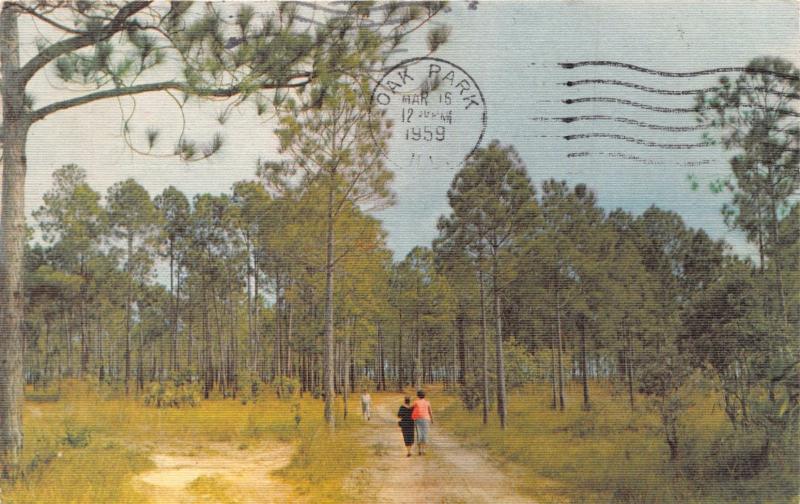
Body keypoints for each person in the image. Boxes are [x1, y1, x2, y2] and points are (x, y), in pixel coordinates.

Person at [411, 389, 433, 455]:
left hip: (418, 419)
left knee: (419, 434)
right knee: (425, 434)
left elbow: (410, 408)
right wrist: (432, 419)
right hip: (426, 419)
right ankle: (424, 450)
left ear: (418, 395)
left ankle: (420, 450)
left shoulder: (416, 402)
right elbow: (430, 411)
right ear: (424, 396)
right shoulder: (427, 402)